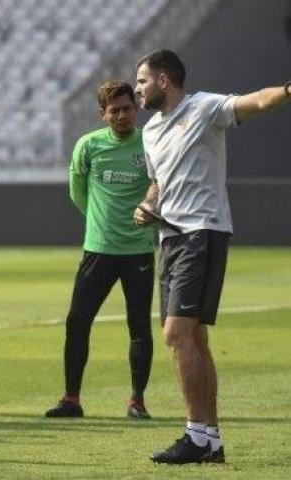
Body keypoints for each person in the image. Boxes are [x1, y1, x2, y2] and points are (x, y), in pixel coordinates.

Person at [133, 49, 291, 464]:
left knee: (175, 334)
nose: (138, 88)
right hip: (169, 239)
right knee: (194, 337)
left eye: (143, 80)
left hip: (201, 232)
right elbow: (157, 184)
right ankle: (210, 440)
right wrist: (147, 205)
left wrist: (288, 89)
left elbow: (254, 101)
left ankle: (196, 436)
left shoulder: (203, 107)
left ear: (164, 81)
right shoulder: (150, 131)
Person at [45, 81, 155, 419]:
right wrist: (100, 223)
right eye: (114, 110)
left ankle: (137, 401)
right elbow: (78, 192)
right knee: (78, 322)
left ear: (135, 109)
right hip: (99, 250)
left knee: (139, 326)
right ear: (103, 114)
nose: (121, 115)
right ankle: (71, 400)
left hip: (138, 250)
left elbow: (159, 184)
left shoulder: (149, 144)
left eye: (126, 108)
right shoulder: (88, 146)